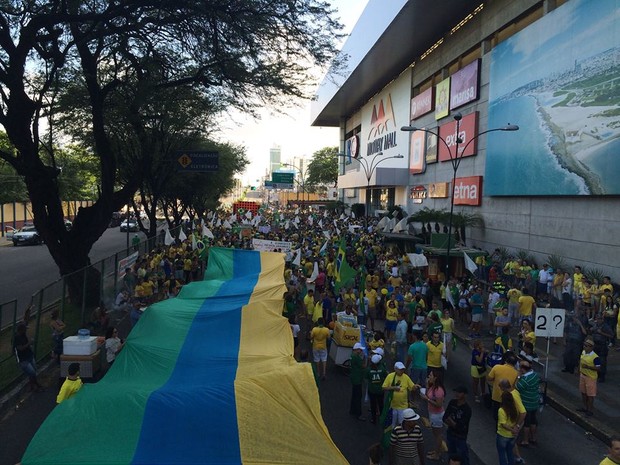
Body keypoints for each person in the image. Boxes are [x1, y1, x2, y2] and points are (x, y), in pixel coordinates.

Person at [443, 386, 472, 465]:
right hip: (450, 434)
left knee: (463, 457)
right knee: (451, 455)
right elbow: (445, 417)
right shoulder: (452, 402)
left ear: (465, 395)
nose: (457, 394)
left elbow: (461, 427)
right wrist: (453, 424)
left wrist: (451, 421)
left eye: (459, 392)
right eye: (456, 392)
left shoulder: (467, 409)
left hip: (460, 437)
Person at [383, 362, 417, 428]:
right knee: (392, 425)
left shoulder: (406, 377)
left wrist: (415, 387)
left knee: (402, 424)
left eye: (403, 369)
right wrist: (393, 388)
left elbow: (412, 387)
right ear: (395, 369)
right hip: (392, 406)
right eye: (400, 369)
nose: (402, 371)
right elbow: (384, 388)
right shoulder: (390, 376)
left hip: (403, 406)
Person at [421, 371, 445, 462]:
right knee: (436, 435)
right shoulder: (433, 387)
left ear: (435, 378)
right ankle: (436, 451)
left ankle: (437, 454)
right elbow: (428, 395)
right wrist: (427, 386)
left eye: (431, 375)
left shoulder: (438, 390)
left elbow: (439, 404)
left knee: (438, 435)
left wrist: (427, 399)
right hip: (432, 413)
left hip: (437, 415)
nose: (429, 376)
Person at [487, 351, 519, 419]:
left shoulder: (496, 367)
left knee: (496, 415)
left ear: (506, 361)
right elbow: (514, 385)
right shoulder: (516, 373)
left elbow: (489, 378)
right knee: (505, 415)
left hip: (496, 396)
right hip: (507, 397)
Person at [516, 361, 541, 446]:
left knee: (526, 422)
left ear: (523, 369)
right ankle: (533, 438)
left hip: (526, 404)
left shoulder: (525, 380)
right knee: (533, 421)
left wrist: (518, 376)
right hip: (534, 402)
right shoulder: (535, 375)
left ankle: (525, 440)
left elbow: (517, 386)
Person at [13, 323, 44, 392]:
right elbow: (20, 348)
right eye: (25, 329)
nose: (26, 331)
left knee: (34, 370)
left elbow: (27, 343)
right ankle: (36, 385)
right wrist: (29, 343)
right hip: (23, 359)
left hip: (29, 355)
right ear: (21, 330)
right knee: (32, 372)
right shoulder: (16, 338)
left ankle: (32, 386)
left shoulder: (23, 335)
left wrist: (30, 344)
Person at [578, 337, 601, 417]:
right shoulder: (583, 352)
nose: (584, 347)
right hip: (583, 375)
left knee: (590, 395)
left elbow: (598, 368)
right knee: (583, 393)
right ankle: (585, 407)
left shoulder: (595, 357)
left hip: (590, 378)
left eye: (586, 346)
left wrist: (588, 367)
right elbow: (580, 361)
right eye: (584, 345)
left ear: (591, 347)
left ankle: (590, 410)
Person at [496, 391, 520, 465]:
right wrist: (515, 429)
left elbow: (503, 424)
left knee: (502, 454)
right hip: (512, 436)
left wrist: (512, 429)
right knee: (510, 452)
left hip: (503, 435)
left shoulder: (501, 410)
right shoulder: (514, 409)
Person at [366, 353, 388, 424]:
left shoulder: (369, 369)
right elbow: (386, 376)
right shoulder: (382, 369)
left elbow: (366, 378)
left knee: (373, 405)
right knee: (381, 404)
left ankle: (373, 419)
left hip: (372, 389)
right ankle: (382, 418)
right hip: (380, 390)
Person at [349, 342, 366, 420]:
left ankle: (352, 410)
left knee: (354, 395)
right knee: (358, 397)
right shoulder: (356, 357)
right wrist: (366, 359)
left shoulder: (352, 356)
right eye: (360, 350)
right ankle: (358, 414)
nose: (361, 351)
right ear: (357, 350)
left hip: (354, 378)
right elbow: (363, 366)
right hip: (357, 379)